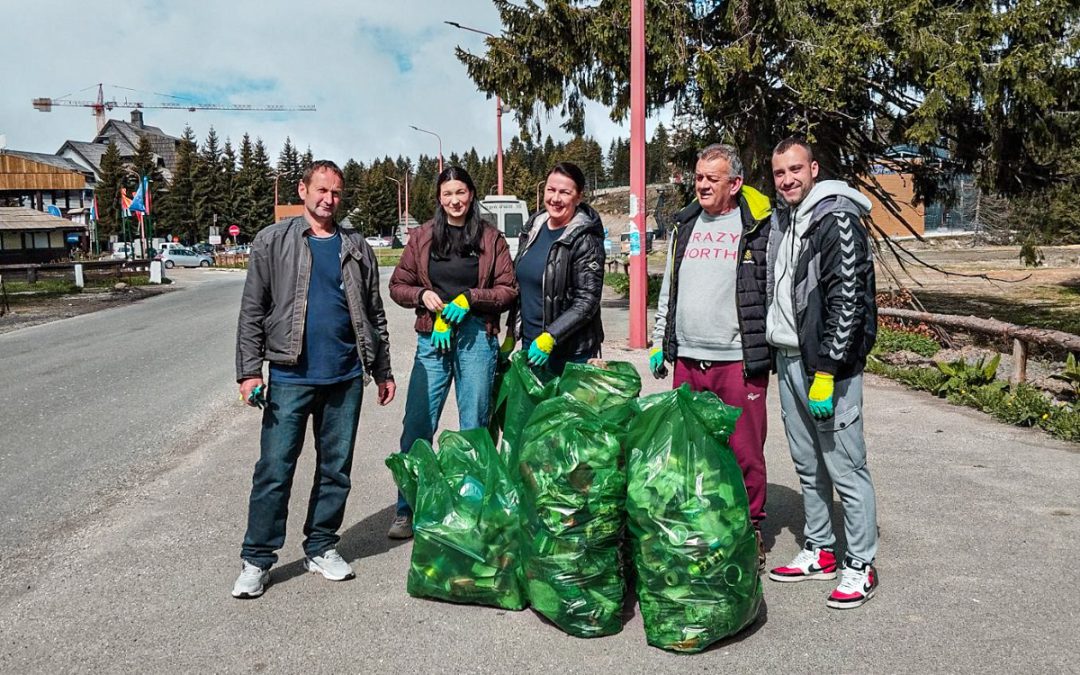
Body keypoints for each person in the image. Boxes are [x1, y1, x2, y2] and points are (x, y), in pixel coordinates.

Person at [232, 160, 396, 599]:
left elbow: (374, 313)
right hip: (290, 376)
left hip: (344, 376)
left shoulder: (356, 246)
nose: (329, 200)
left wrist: (382, 369)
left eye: (337, 193)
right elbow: (252, 310)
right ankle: (257, 558)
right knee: (274, 469)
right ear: (303, 190)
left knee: (335, 469)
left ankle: (321, 546)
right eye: (321, 190)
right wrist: (249, 372)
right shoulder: (273, 241)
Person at [765, 137, 880, 609]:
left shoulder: (837, 218)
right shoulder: (787, 218)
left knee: (846, 466)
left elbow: (848, 301)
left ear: (814, 168)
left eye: (795, 169)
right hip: (789, 359)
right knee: (809, 466)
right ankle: (819, 549)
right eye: (779, 173)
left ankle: (861, 563)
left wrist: (828, 370)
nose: (787, 179)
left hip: (826, 367)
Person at [649, 143, 773, 572]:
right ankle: (698, 526)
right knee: (689, 450)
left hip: (737, 358)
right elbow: (671, 284)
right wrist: (659, 338)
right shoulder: (685, 224)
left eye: (711, 178)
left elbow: (770, 290)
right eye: (699, 177)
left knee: (744, 451)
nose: (701, 185)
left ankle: (751, 528)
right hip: (688, 356)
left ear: (735, 184)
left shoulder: (756, 226)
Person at [386, 166, 518, 539]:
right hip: (433, 337)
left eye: (461, 192)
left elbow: (509, 289)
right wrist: (421, 296)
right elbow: (398, 285)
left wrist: (472, 298)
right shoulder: (422, 236)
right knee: (417, 425)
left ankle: (471, 507)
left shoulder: (491, 238)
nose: (455, 200)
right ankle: (406, 509)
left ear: (471, 194)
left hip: (476, 336)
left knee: (474, 426)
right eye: (447, 194)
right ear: (439, 198)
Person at [505, 162, 606, 374]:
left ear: (578, 197)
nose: (555, 198)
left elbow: (587, 300)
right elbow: (522, 289)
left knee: (565, 408)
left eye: (565, 192)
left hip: (570, 354)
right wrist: (510, 335)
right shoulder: (533, 229)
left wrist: (551, 336)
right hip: (531, 346)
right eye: (550, 190)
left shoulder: (586, 239)